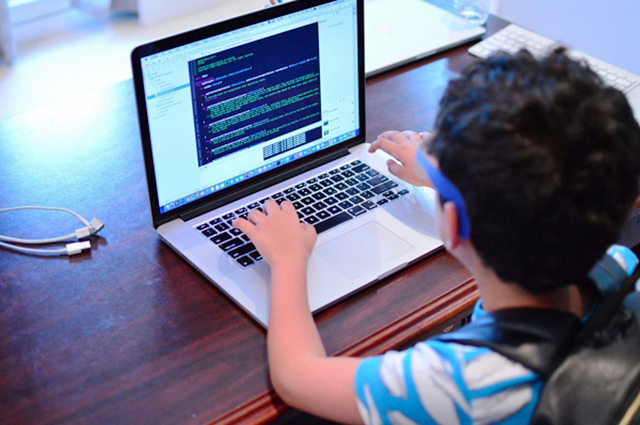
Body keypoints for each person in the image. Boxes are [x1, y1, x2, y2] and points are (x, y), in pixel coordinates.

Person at [233, 49, 640, 424]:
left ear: (456, 224)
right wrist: (449, 177)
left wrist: (287, 260)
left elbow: (296, 376)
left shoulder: (455, 383)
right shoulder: (621, 268)